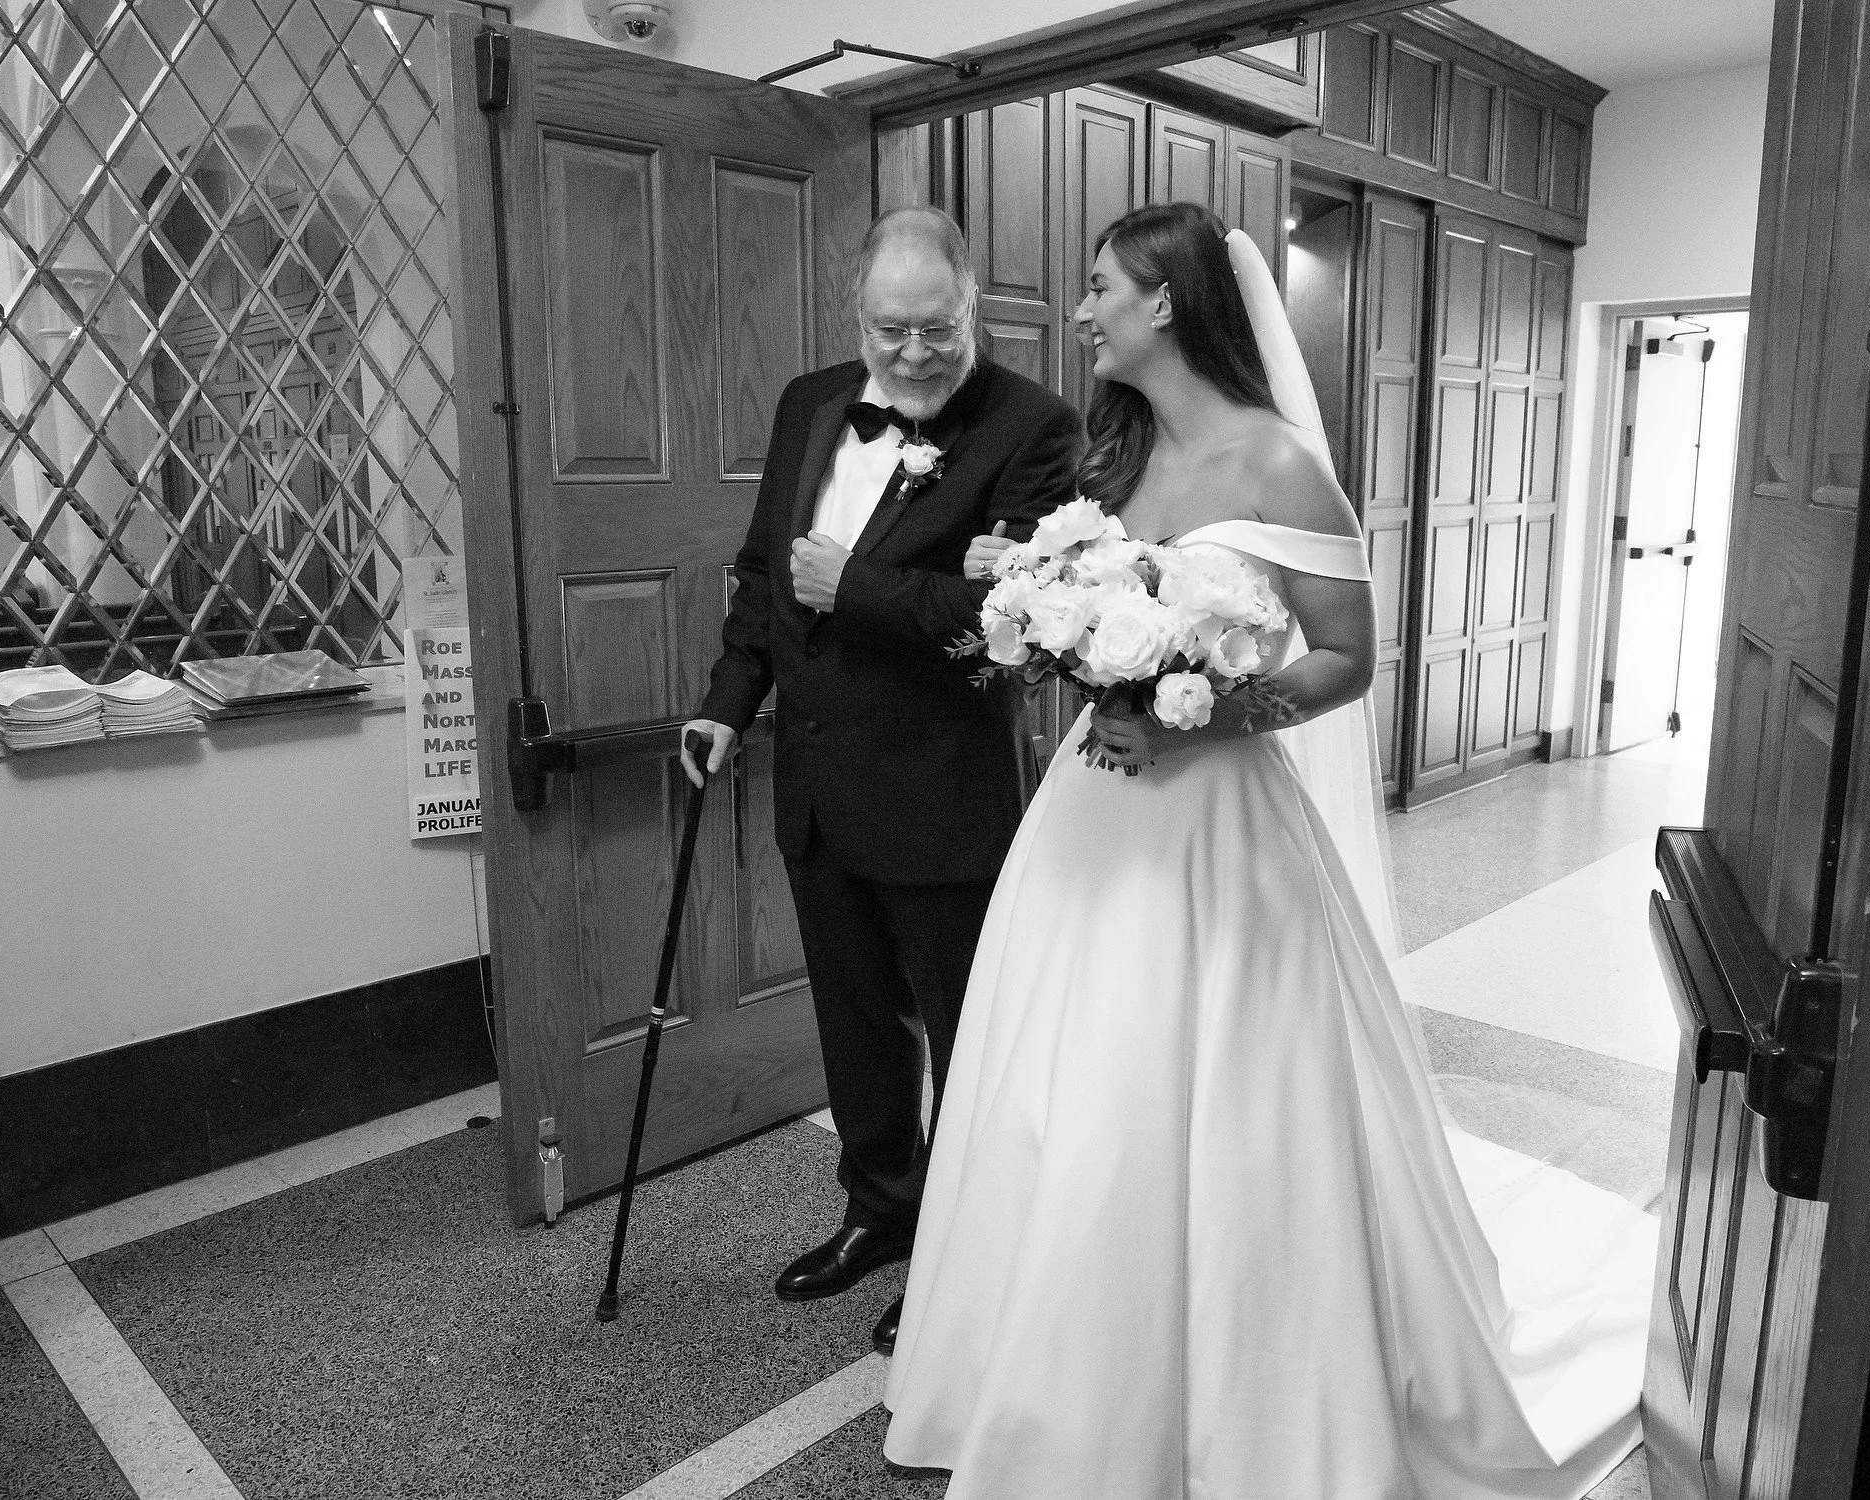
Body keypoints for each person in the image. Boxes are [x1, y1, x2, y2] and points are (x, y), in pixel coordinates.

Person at [881, 202, 1657, 1498]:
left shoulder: (1280, 464)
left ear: (1164, 300)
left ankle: (1247, 1399)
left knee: (1222, 1088)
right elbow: (1083, 607)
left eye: (1100, 287)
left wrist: (1209, 711)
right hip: (1091, 812)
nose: (1082, 310)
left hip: (1217, 820)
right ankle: (1051, 1380)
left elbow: (1349, 657)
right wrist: (1032, 608)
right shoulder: (1111, 461)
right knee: (1064, 1081)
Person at [683, 207, 1081, 1355]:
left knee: (964, 1034)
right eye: (887, 329)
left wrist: (848, 586)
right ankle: (880, 1208)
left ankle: (964, 1252)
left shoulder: (1032, 427)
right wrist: (725, 703)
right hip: (815, 781)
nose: (910, 353)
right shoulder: (809, 402)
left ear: (972, 305)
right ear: (856, 312)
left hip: (940, 787)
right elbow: (763, 575)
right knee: (855, 1020)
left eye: (935, 329)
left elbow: (1012, 617)